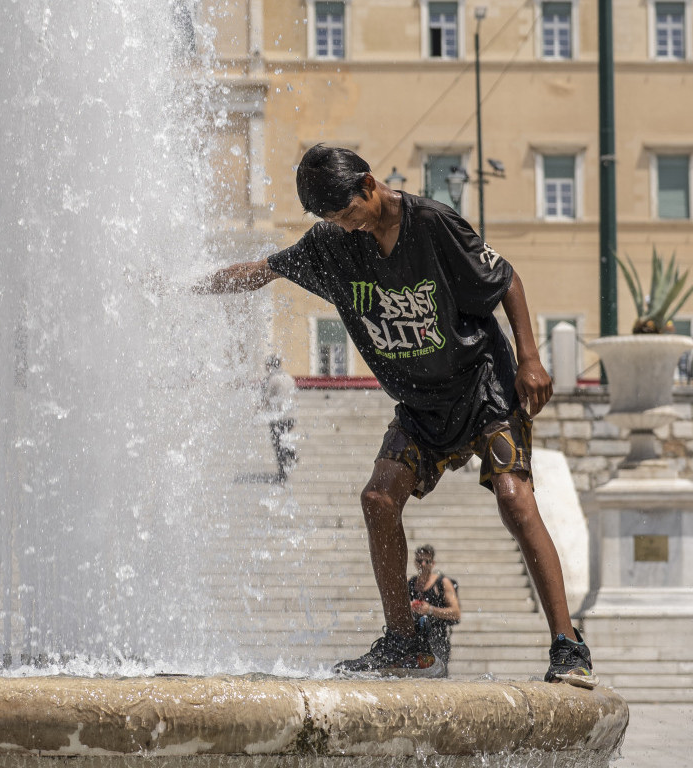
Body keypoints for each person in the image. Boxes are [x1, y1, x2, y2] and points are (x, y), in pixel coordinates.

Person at [193, 144, 597, 687]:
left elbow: (508, 281)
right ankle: (405, 643)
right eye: (334, 220)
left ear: (368, 184)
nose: (348, 228)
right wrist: (183, 286)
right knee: (378, 499)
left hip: (482, 385)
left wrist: (529, 358)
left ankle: (568, 647)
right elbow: (263, 270)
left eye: (349, 213)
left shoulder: (431, 223)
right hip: (420, 405)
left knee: (514, 498)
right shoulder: (332, 246)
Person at [408, 544, 460, 674]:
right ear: (415, 562)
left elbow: (456, 613)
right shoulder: (410, 583)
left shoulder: (443, 583)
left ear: (433, 563)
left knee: (438, 676)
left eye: (427, 561)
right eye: (420, 561)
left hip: (438, 640)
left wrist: (430, 610)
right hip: (415, 641)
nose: (423, 564)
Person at [260, 356, 298, 483]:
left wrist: (258, 412)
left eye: (267, 365)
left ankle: (283, 472)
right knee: (283, 441)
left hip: (278, 418)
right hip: (291, 417)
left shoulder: (273, 379)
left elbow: (266, 398)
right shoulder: (288, 377)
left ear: (270, 366)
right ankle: (291, 454)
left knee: (278, 446)